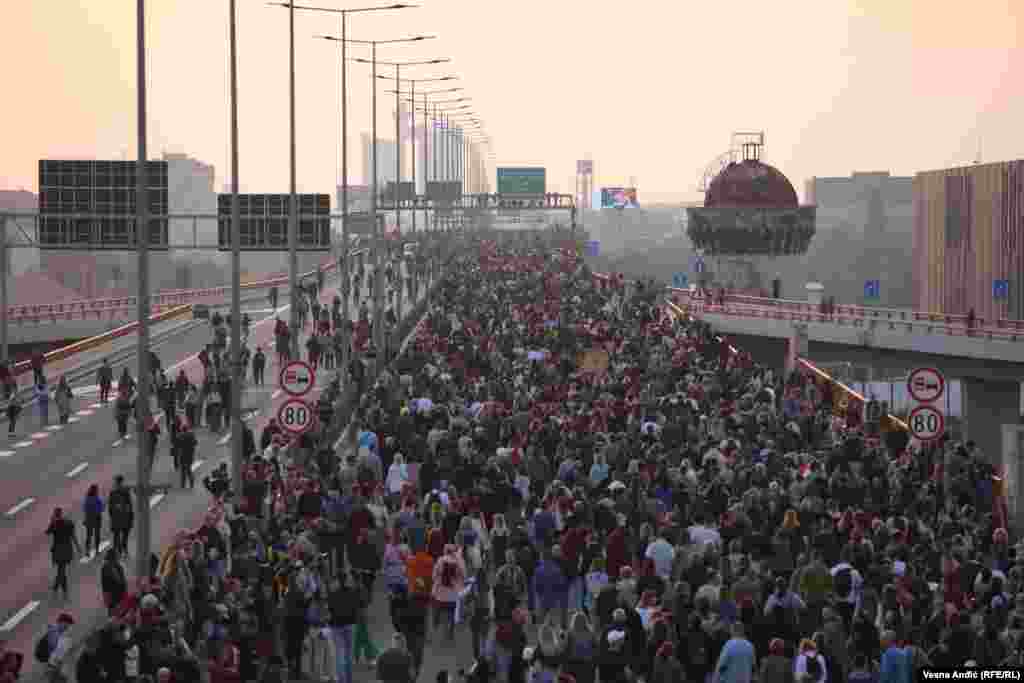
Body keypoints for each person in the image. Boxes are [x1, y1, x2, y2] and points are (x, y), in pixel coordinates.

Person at [45, 508, 80, 600]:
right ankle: (59, 589)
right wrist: (78, 547)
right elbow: (73, 536)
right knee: (62, 570)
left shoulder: (54, 524)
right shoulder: (69, 523)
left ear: (55, 514)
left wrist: (51, 521)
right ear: (61, 514)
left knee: (61, 570)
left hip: (57, 550)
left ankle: (59, 589)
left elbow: (47, 532)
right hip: (67, 549)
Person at [82, 484, 104, 558]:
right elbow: (101, 508)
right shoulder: (98, 498)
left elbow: (85, 509)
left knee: (89, 535)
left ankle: (87, 551)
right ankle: (97, 550)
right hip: (97, 518)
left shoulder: (87, 498)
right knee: (97, 535)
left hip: (89, 518)